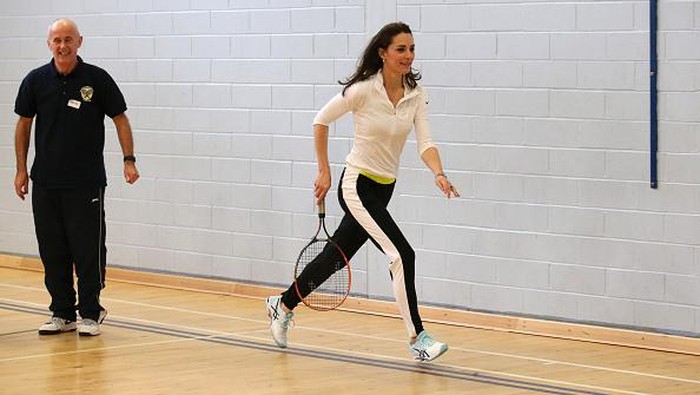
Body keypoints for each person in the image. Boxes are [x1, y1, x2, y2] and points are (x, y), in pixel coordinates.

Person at [265, 22, 459, 362]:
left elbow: (425, 142)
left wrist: (438, 173)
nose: (408, 55)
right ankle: (418, 337)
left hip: (384, 189)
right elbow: (320, 120)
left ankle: (282, 304)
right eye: (401, 49)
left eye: (411, 48)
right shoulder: (363, 90)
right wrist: (323, 170)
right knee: (402, 254)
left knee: (334, 259)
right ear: (383, 53)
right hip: (356, 185)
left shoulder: (416, 94)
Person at [13, 18, 139, 337]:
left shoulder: (97, 79)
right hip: (45, 183)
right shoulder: (35, 81)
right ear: (49, 44)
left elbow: (120, 119)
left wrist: (128, 160)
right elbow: (24, 124)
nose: (63, 45)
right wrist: (20, 169)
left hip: (86, 183)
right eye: (57, 40)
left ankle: (91, 312)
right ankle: (62, 313)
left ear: (80, 42)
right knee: (52, 250)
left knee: (87, 250)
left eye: (68, 39)